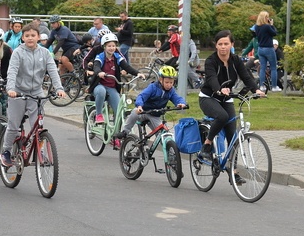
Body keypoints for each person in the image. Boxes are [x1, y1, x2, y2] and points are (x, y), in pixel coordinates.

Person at [0, 24, 65, 167]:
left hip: (36, 92)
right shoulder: (18, 52)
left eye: (33, 35)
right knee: (13, 125)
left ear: (38, 37)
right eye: (27, 36)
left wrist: (59, 88)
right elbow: (12, 71)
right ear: (23, 38)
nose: (30, 38)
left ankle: (39, 151)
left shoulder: (45, 53)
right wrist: (10, 89)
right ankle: (6, 151)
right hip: (18, 92)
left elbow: (53, 70)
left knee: (38, 126)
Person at [198, 30, 264, 159]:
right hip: (208, 98)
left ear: (232, 44)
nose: (223, 47)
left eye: (226, 43)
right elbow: (211, 79)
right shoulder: (211, 61)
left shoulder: (235, 60)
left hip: (226, 99)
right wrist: (219, 89)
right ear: (216, 45)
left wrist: (256, 90)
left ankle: (233, 172)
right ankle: (207, 143)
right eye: (220, 44)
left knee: (232, 135)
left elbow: (246, 76)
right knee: (222, 116)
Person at [91, 33, 142, 146]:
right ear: (104, 46)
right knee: (101, 92)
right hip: (100, 85)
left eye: (113, 46)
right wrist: (99, 72)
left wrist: (137, 73)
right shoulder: (100, 56)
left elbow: (126, 66)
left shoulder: (117, 57)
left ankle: (116, 137)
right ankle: (99, 114)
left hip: (112, 87)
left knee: (119, 111)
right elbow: (96, 65)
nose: (112, 48)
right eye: (109, 46)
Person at [114, 65, 188, 141]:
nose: (169, 85)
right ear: (160, 79)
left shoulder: (170, 91)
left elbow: (177, 98)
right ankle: (125, 132)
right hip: (144, 112)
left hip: (155, 115)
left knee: (163, 135)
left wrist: (181, 103)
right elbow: (141, 96)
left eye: (171, 82)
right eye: (167, 82)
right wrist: (139, 106)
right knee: (134, 113)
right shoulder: (153, 87)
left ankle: (168, 149)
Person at [254, 11, 279, 91]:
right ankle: (274, 86)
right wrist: (272, 25)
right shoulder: (267, 26)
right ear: (265, 18)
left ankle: (262, 85)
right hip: (268, 48)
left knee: (262, 68)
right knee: (273, 68)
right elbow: (274, 33)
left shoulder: (256, 27)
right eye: (267, 17)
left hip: (260, 49)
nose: (268, 18)